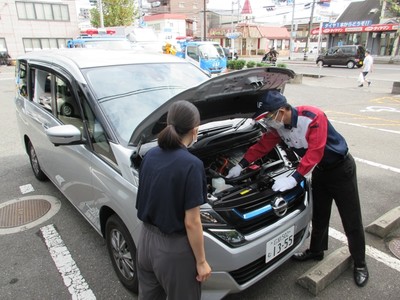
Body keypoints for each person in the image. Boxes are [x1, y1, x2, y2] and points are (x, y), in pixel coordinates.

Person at [226, 90, 369, 287]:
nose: (267, 122)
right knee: (319, 214)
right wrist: (241, 164)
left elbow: (315, 152)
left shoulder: (312, 117)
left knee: (351, 218)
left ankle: (360, 263)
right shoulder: (278, 127)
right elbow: (263, 145)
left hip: (340, 169)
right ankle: (316, 251)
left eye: (268, 117)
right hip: (319, 170)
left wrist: (295, 178)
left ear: (282, 110)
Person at [136, 100, 212, 300]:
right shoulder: (191, 165)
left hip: (145, 241)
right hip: (173, 250)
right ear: (195, 131)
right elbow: (192, 221)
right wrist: (201, 261)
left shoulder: (149, 156)